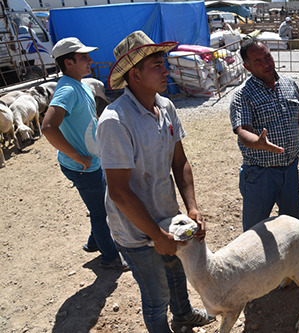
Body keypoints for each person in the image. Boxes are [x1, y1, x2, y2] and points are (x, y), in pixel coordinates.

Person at [95, 30, 214, 333]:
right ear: (134, 74)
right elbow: (119, 192)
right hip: (135, 230)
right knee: (156, 294)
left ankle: (184, 315)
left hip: (168, 215)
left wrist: (192, 207)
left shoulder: (166, 107)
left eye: (164, 63)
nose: (166, 70)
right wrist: (156, 236)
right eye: (157, 66)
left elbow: (180, 161)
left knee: (176, 274)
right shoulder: (115, 120)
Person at [41, 37, 127, 271]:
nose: (90, 60)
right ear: (68, 62)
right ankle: (110, 258)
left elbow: (88, 118)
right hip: (81, 166)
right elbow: (48, 127)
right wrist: (77, 156)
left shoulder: (80, 85)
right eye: (83, 57)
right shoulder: (67, 89)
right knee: (101, 211)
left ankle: (93, 243)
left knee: (99, 204)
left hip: (90, 162)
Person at [229, 38, 299, 231]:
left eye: (267, 56)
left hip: (290, 169)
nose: (266, 63)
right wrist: (259, 142)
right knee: (255, 232)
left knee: (294, 226)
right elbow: (243, 132)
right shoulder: (242, 95)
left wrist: (292, 145)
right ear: (247, 67)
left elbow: (298, 117)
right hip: (261, 174)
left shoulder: (289, 84)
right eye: (258, 62)